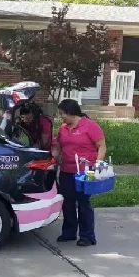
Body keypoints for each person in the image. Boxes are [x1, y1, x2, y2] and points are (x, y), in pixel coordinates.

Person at [51, 99, 107, 247]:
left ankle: (87, 236)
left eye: (62, 113)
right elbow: (58, 147)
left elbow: (101, 146)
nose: (61, 116)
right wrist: (50, 158)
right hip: (66, 171)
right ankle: (69, 233)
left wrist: (97, 164)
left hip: (84, 172)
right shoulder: (63, 128)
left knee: (83, 203)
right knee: (67, 202)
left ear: (70, 112)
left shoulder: (90, 126)